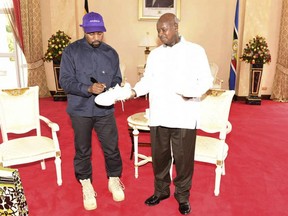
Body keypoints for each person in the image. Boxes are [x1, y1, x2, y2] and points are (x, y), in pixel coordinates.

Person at [130, 13, 213, 215]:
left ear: (176, 26)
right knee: (160, 157)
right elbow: (147, 81)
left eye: (164, 29)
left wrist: (189, 92)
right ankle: (161, 191)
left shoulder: (195, 51)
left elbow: (206, 81)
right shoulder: (155, 55)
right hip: (159, 114)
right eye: (159, 30)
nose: (161, 34)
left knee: (183, 160)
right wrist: (133, 91)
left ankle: (182, 196)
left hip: (184, 115)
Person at [59, 12, 125, 211]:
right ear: (83, 31)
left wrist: (114, 88)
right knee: (83, 149)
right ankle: (86, 183)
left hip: (105, 109)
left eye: (99, 33)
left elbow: (117, 79)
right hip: (80, 110)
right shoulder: (71, 51)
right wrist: (87, 88)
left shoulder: (111, 53)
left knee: (111, 148)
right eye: (91, 34)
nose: (96, 37)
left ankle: (114, 179)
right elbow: (65, 82)